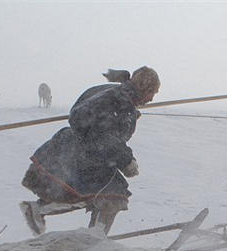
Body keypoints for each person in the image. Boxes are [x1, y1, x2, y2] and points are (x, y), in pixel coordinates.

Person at [20, 66, 160, 235]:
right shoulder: (122, 102)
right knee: (112, 196)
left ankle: (39, 210)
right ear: (144, 88)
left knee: (86, 194)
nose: (152, 98)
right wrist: (127, 160)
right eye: (153, 92)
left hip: (71, 147)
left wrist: (126, 115)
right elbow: (106, 134)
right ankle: (94, 240)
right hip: (86, 156)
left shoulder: (111, 92)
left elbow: (92, 112)